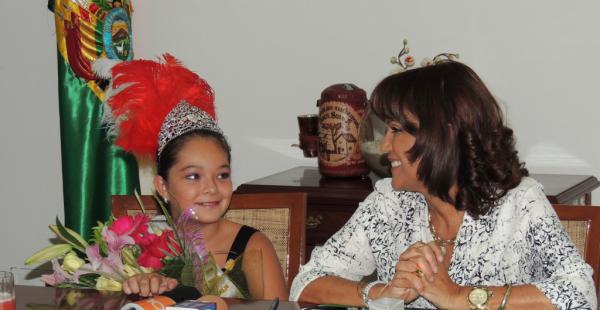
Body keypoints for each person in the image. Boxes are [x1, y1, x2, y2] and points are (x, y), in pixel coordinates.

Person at [290, 60, 596, 309]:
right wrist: (384, 292)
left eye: (396, 130)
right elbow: (306, 283)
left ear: (442, 136)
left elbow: (580, 293)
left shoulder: (518, 204)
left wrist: (461, 296)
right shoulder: (388, 204)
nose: (384, 146)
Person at [96, 54, 288, 299]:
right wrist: (137, 287)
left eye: (222, 175)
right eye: (193, 176)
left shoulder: (251, 247)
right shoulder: (137, 246)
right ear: (162, 186)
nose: (211, 188)